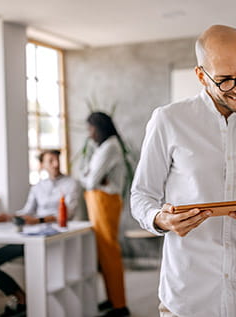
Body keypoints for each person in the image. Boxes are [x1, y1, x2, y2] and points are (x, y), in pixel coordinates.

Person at [131, 25, 236, 317]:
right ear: (201, 75)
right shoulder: (168, 120)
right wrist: (161, 219)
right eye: (225, 80)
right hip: (187, 293)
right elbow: (142, 195)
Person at [0, 149, 81, 317]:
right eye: (50, 160)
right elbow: (27, 211)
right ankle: (21, 298)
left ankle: (34, 307)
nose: (55, 164)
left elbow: (67, 214)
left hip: (55, 238)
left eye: (57, 160)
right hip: (32, 238)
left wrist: (38, 221)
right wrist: (9, 216)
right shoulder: (37, 187)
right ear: (42, 165)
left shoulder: (71, 184)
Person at [80, 112, 129, 317]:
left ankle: (119, 305)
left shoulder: (109, 146)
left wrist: (90, 178)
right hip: (99, 201)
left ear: (99, 127)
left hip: (104, 202)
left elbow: (89, 180)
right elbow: (89, 176)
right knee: (104, 253)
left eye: (91, 129)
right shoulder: (103, 147)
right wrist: (91, 177)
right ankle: (112, 299)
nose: (89, 134)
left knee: (109, 252)